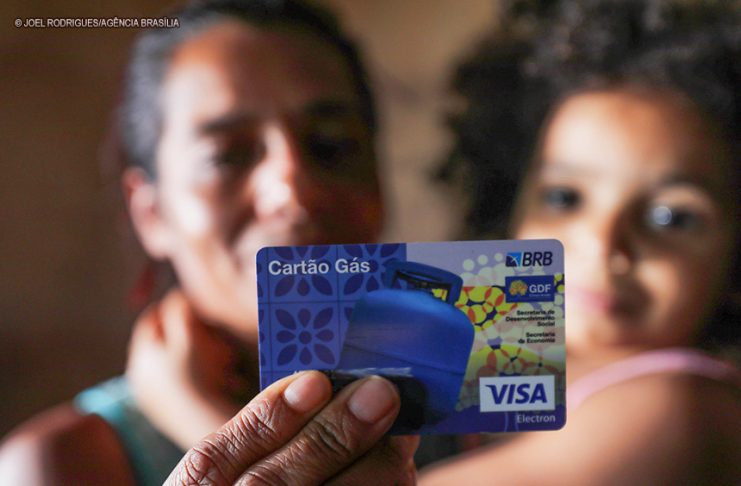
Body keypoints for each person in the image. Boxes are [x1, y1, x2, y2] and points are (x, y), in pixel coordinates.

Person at [0, 0, 418, 484]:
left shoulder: (473, 405)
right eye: (225, 157)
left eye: (332, 145)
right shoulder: (61, 465)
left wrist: (201, 417)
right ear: (151, 213)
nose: (293, 191)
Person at [417, 0, 741, 483]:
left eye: (672, 216)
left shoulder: (681, 409)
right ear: (510, 202)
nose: (602, 244)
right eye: (564, 197)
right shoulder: (491, 380)